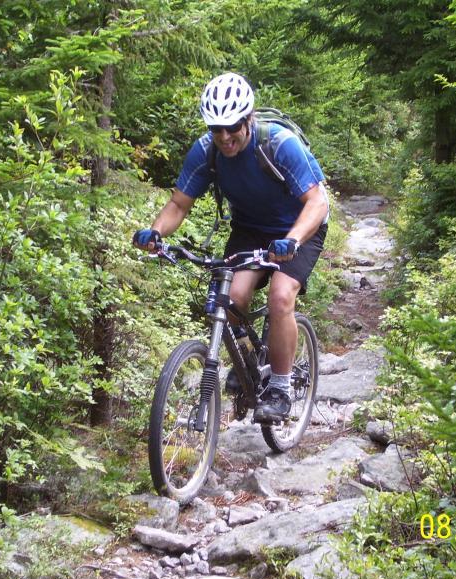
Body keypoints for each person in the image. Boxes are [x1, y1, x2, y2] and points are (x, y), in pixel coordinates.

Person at [133, 72, 329, 423]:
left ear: (248, 119)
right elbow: (179, 204)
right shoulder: (206, 152)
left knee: (281, 297)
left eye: (232, 127)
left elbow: (316, 202)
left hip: (300, 227)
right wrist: (155, 232)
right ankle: (248, 359)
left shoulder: (279, 144)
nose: (224, 137)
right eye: (216, 128)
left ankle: (281, 387)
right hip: (251, 228)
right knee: (231, 297)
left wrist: (293, 240)